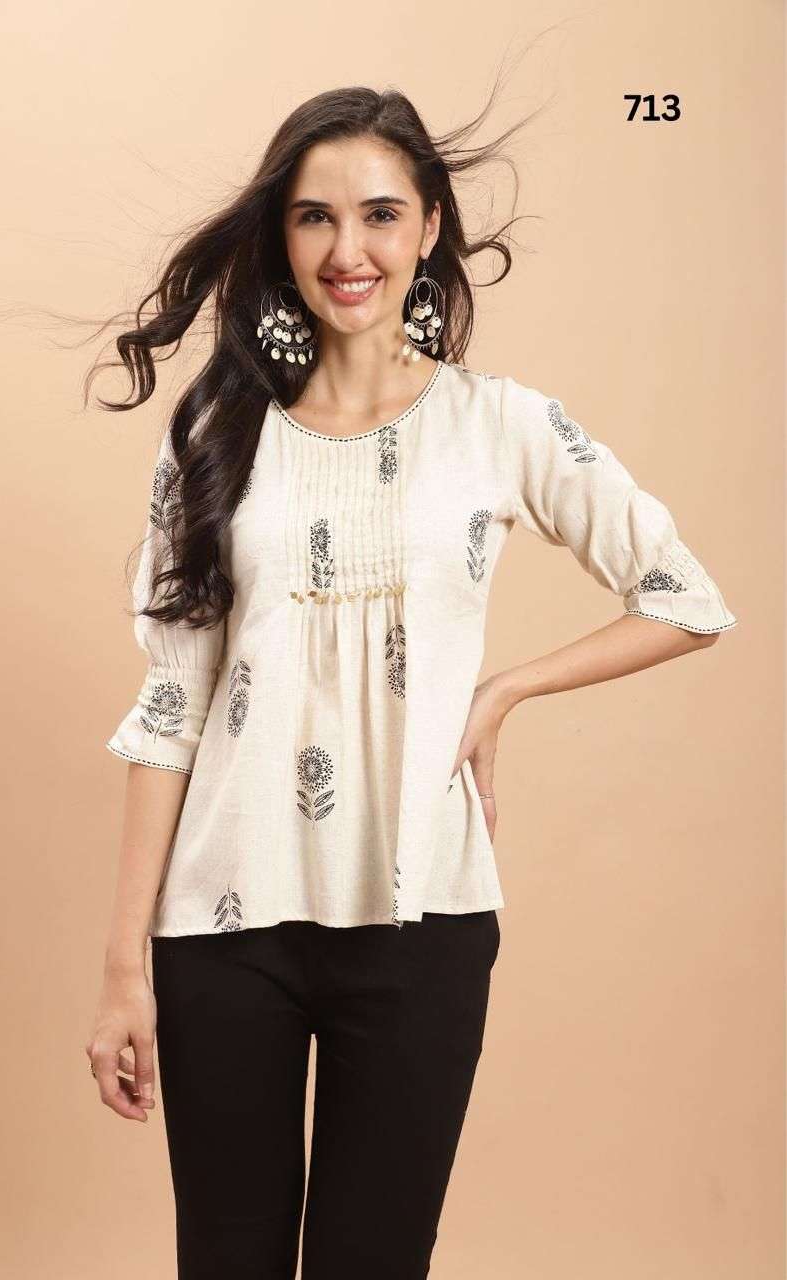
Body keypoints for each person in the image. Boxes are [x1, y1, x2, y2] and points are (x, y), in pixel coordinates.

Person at [85, 84, 738, 1280]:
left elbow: (685, 596)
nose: (350, 250)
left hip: (424, 920)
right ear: (282, 237)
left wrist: (502, 692)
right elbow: (171, 707)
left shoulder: (500, 424)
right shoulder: (216, 433)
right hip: (222, 930)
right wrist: (125, 965)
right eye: (315, 217)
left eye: (381, 214)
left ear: (430, 226)